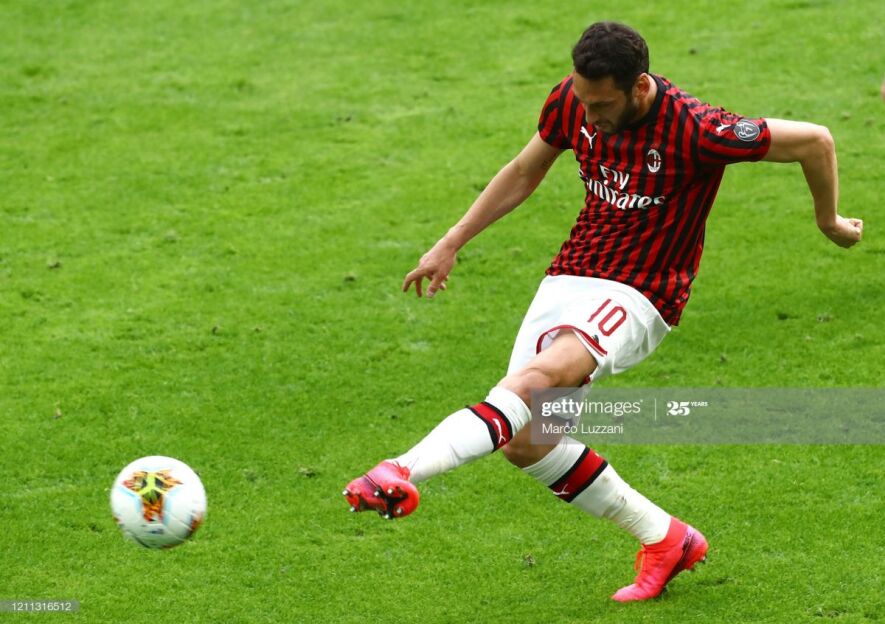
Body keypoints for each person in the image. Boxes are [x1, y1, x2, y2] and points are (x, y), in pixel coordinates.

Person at [342, 21, 863, 602]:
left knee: (537, 381)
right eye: (583, 101)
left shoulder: (697, 129)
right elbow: (524, 170)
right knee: (527, 439)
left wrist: (829, 222)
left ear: (639, 87)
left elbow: (815, 140)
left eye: (602, 105)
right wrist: (451, 241)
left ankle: (401, 468)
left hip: (642, 292)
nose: (588, 116)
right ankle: (666, 538)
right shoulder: (575, 100)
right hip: (571, 275)